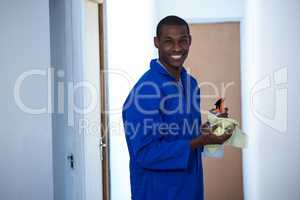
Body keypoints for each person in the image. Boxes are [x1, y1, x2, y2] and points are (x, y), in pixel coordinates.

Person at [122, 15, 234, 200]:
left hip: (191, 188)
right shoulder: (145, 92)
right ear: (156, 42)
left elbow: (184, 133)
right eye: (168, 41)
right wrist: (199, 142)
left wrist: (211, 128)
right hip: (158, 192)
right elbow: (144, 153)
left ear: (190, 41)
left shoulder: (190, 84)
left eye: (182, 41)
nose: (176, 48)